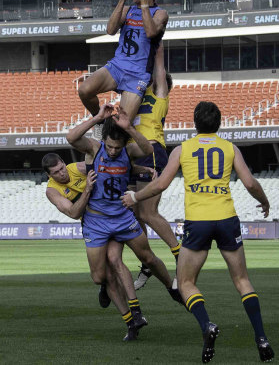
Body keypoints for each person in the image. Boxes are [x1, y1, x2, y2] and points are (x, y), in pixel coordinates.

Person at [122, 101, 274, 363]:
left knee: (186, 283)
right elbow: (249, 182)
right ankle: (261, 338)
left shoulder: (183, 150)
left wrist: (136, 196)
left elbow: (160, 185)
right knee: (242, 281)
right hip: (227, 219)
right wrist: (264, 201)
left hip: (198, 222)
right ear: (219, 122)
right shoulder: (230, 148)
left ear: (194, 123)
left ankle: (207, 326)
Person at [66, 103, 183, 340]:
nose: (112, 151)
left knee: (147, 256)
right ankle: (112, 294)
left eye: (116, 147)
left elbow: (147, 148)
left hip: (122, 217)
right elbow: (71, 137)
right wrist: (98, 117)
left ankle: (172, 288)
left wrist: (128, 128)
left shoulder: (127, 152)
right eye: (109, 146)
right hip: (96, 221)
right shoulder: (94, 148)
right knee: (100, 276)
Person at [42, 152, 153, 341]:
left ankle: (133, 317)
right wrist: (87, 190)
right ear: (49, 176)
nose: (62, 174)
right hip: (92, 227)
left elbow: (114, 168)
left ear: (64, 163)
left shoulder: (78, 168)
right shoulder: (52, 191)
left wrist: (144, 170)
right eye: (56, 173)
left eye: (62, 168)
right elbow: (73, 213)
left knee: (115, 260)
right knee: (100, 277)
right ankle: (108, 290)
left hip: (109, 218)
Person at [78, 0, 168, 125]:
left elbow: (151, 32)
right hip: (117, 66)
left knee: (122, 125)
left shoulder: (160, 13)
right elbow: (110, 30)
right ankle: (100, 121)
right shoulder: (127, 10)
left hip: (138, 74)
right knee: (84, 90)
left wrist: (144, 0)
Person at [129, 41, 181, 290]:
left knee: (148, 213)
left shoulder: (160, 98)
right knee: (136, 212)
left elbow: (158, 67)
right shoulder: (136, 99)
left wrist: (155, 44)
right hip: (132, 156)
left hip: (151, 151)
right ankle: (147, 262)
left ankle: (180, 254)